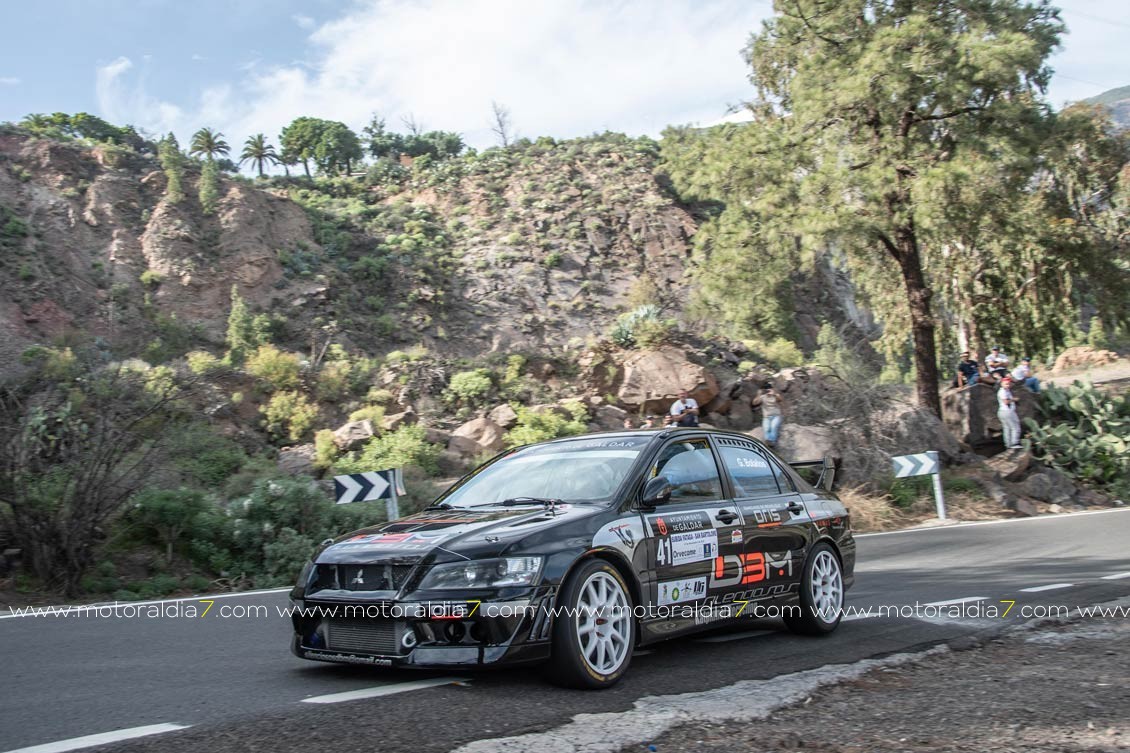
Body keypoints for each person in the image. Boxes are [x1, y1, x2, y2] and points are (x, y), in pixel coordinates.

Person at [997, 374, 1023, 450]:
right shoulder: (1002, 392)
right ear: (1002, 384)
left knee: (1007, 428)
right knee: (1015, 427)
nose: (1008, 385)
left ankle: (1008, 445)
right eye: (1006, 384)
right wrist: (1014, 400)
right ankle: (1014, 443)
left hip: (1004, 412)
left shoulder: (1006, 390)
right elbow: (1005, 402)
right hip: (1007, 411)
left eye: (1009, 384)